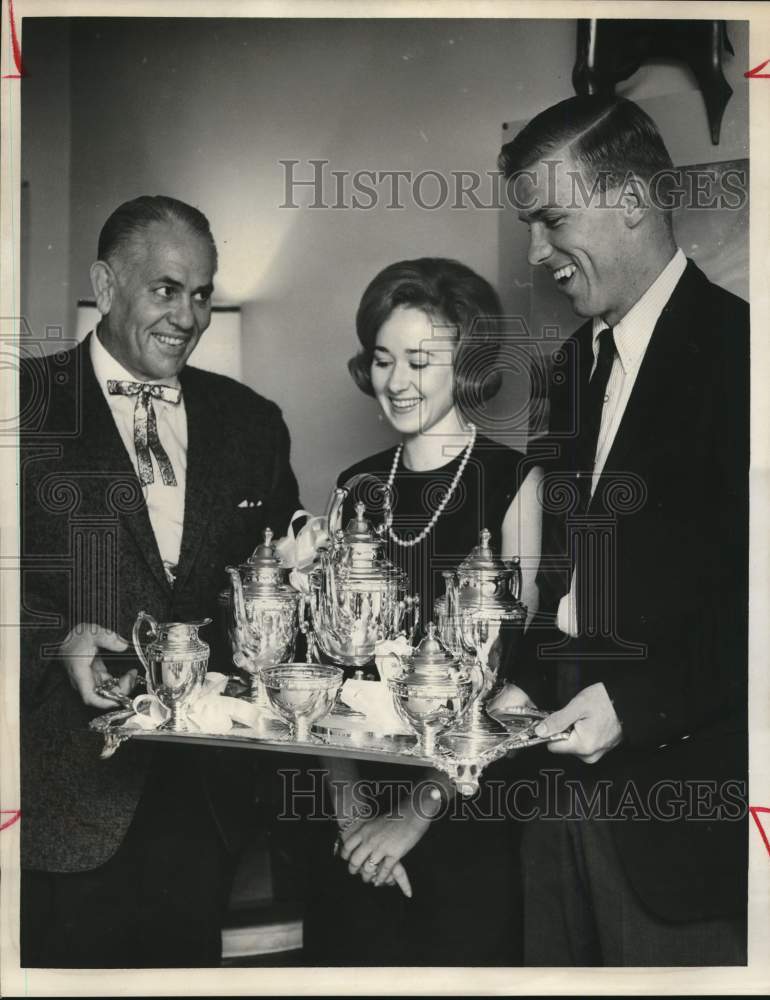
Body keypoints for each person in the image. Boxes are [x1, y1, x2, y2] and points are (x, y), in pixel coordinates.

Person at [491, 95, 749, 965]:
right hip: (551, 807)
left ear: (633, 201)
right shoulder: (568, 372)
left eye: (552, 219)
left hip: (680, 831)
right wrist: (516, 691)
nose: (536, 252)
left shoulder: (745, 360)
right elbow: (564, 587)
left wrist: (636, 708)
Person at [19, 195, 300, 967]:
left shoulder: (252, 423)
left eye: (203, 292)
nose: (189, 315)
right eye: (166, 289)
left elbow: (280, 578)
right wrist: (58, 639)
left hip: (203, 808)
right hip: (61, 804)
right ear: (105, 287)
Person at [302, 257, 543, 966]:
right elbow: (324, 668)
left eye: (419, 360)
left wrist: (410, 820)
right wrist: (353, 820)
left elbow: (518, 686)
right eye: (381, 360)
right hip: (353, 818)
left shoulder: (515, 483)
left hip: (465, 814)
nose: (396, 382)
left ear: (467, 364)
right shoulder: (354, 488)